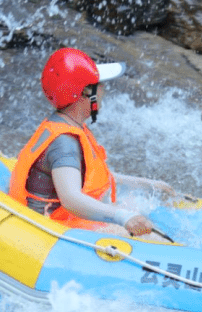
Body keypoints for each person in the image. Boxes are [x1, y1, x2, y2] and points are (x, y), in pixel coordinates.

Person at [9, 47, 176, 237]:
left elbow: (94, 176)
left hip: (63, 217)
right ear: (85, 94)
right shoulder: (65, 142)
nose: (105, 88)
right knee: (152, 237)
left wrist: (150, 184)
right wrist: (123, 216)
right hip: (50, 228)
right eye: (100, 84)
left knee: (138, 209)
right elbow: (71, 199)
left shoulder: (67, 124)